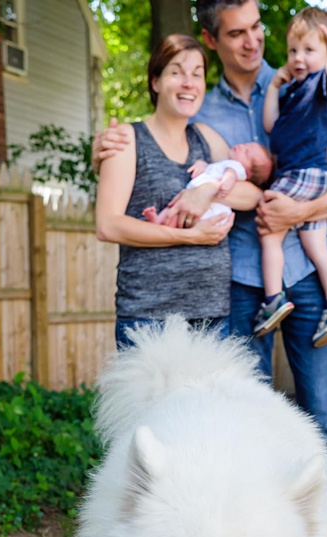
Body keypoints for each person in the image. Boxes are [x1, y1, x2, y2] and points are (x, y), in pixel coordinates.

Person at [94, 0, 327, 537]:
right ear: (210, 39)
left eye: (257, 30)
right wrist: (111, 142)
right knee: (239, 420)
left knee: (326, 416)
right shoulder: (201, 108)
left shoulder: (301, 77)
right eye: (236, 33)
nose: (252, 43)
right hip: (239, 282)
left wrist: (301, 209)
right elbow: (161, 149)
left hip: (309, 273)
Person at [95, 34, 259, 348]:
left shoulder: (206, 138)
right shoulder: (127, 139)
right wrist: (188, 236)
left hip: (211, 314)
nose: (189, 82)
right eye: (177, 72)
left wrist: (208, 189)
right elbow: (108, 225)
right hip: (148, 316)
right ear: (155, 81)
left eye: (197, 74)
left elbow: (251, 194)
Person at [255, 3, 327, 348]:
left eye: (310, 50)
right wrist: (273, 86)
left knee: (269, 230)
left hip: (301, 174)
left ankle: (273, 299)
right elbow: (270, 125)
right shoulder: (292, 91)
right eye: (293, 50)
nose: (299, 58)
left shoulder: (320, 87)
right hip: (313, 179)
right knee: (316, 245)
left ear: (326, 56)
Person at [142, 141, 273, 225]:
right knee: (176, 208)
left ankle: (159, 221)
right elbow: (211, 169)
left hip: (211, 206)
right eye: (246, 145)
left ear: (248, 173)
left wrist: (224, 185)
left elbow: (230, 175)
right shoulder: (223, 164)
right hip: (198, 200)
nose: (241, 146)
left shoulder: (235, 167)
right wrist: (201, 165)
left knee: (180, 212)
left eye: (246, 152)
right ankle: (158, 221)